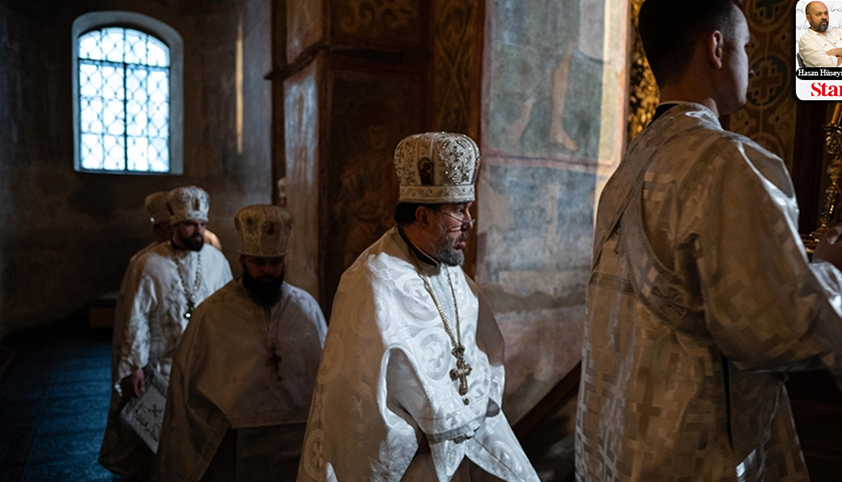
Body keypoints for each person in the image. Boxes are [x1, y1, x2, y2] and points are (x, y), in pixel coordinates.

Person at [575, 0, 842, 481]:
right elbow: (769, 328)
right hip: (690, 449)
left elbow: (697, 293)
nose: (749, 59)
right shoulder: (727, 162)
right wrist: (831, 273)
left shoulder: (628, 168)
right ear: (715, 48)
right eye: (745, 46)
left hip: (620, 444)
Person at [297, 132, 539, 481]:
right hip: (415, 464)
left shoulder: (452, 271)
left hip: (471, 449)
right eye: (458, 210)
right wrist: (425, 435)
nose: (470, 221)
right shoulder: (371, 281)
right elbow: (355, 408)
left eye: (468, 208)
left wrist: (469, 413)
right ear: (423, 217)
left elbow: (486, 354)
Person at [154, 205, 327, 481]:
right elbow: (187, 389)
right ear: (242, 260)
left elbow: (326, 374)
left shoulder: (306, 308)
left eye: (276, 262)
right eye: (259, 263)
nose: (268, 270)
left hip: (300, 438)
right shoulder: (212, 313)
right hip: (234, 442)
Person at [100, 185, 233, 479]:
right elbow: (134, 319)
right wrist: (133, 367)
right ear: (174, 224)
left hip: (205, 365)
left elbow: (228, 311)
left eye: (202, 224)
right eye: (190, 224)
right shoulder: (148, 264)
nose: (197, 230)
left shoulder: (217, 260)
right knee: (162, 441)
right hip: (162, 368)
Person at [798, 0, 842, 67]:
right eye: (819, 14)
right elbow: (826, 65)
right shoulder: (806, 40)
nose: (824, 17)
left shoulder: (835, 32)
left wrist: (834, 52)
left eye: (826, 13)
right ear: (808, 18)